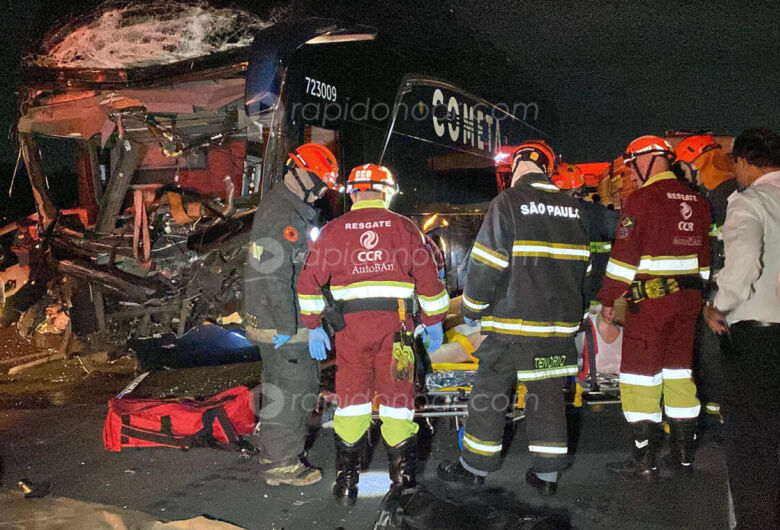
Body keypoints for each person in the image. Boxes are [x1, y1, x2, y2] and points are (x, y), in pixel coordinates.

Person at [437, 140, 590, 495]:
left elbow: (487, 262)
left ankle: (474, 468)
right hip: (557, 327)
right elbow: (587, 270)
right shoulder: (574, 209)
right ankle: (547, 477)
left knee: (489, 393)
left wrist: (472, 308)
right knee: (547, 397)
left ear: (518, 164)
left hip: (512, 325)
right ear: (547, 169)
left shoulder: (508, 202)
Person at [296, 163, 449, 505]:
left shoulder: (334, 230)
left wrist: (313, 325)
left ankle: (347, 484)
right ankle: (404, 487)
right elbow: (428, 280)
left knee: (351, 404)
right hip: (398, 332)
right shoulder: (404, 227)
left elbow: (308, 283)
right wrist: (435, 319)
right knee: (398, 403)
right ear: (387, 192)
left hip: (350, 333)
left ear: (352, 193)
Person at [598, 135, 711, 479]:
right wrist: (699, 297)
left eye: (631, 166)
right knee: (680, 374)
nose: (630, 174)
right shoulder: (698, 200)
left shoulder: (642, 200)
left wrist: (607, 298)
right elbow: (704, 259)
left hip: (650, 304)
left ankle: (644, 460)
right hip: (689, 301)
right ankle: (684, 457)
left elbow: (623, 259)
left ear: (647, 160)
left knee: (639, 377)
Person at [243, 143, 341, 486]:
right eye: (320, 182)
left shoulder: (290, 209)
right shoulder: (283, 217)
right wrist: (287, 327)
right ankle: (281, 466)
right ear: (299, 173)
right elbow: (273, 276)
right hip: (282, 324)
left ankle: (276, 457)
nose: (323, 191)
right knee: (294, 390)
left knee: (282, 388)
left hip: (281, 320)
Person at [702, 128, 780, 529]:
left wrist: (719, 305)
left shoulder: (751, 202)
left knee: (754, 450)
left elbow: (745, 264)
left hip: (759, 341)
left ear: (746, 162)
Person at [674, 134, 739, 428]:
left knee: (715, 359)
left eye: (687, 168)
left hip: (724, 295)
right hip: (727, 292)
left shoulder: (723, 197)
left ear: (698, 164)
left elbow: (726, 250)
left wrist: (714, 299)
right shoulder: (726, 192)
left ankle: (723, 423)